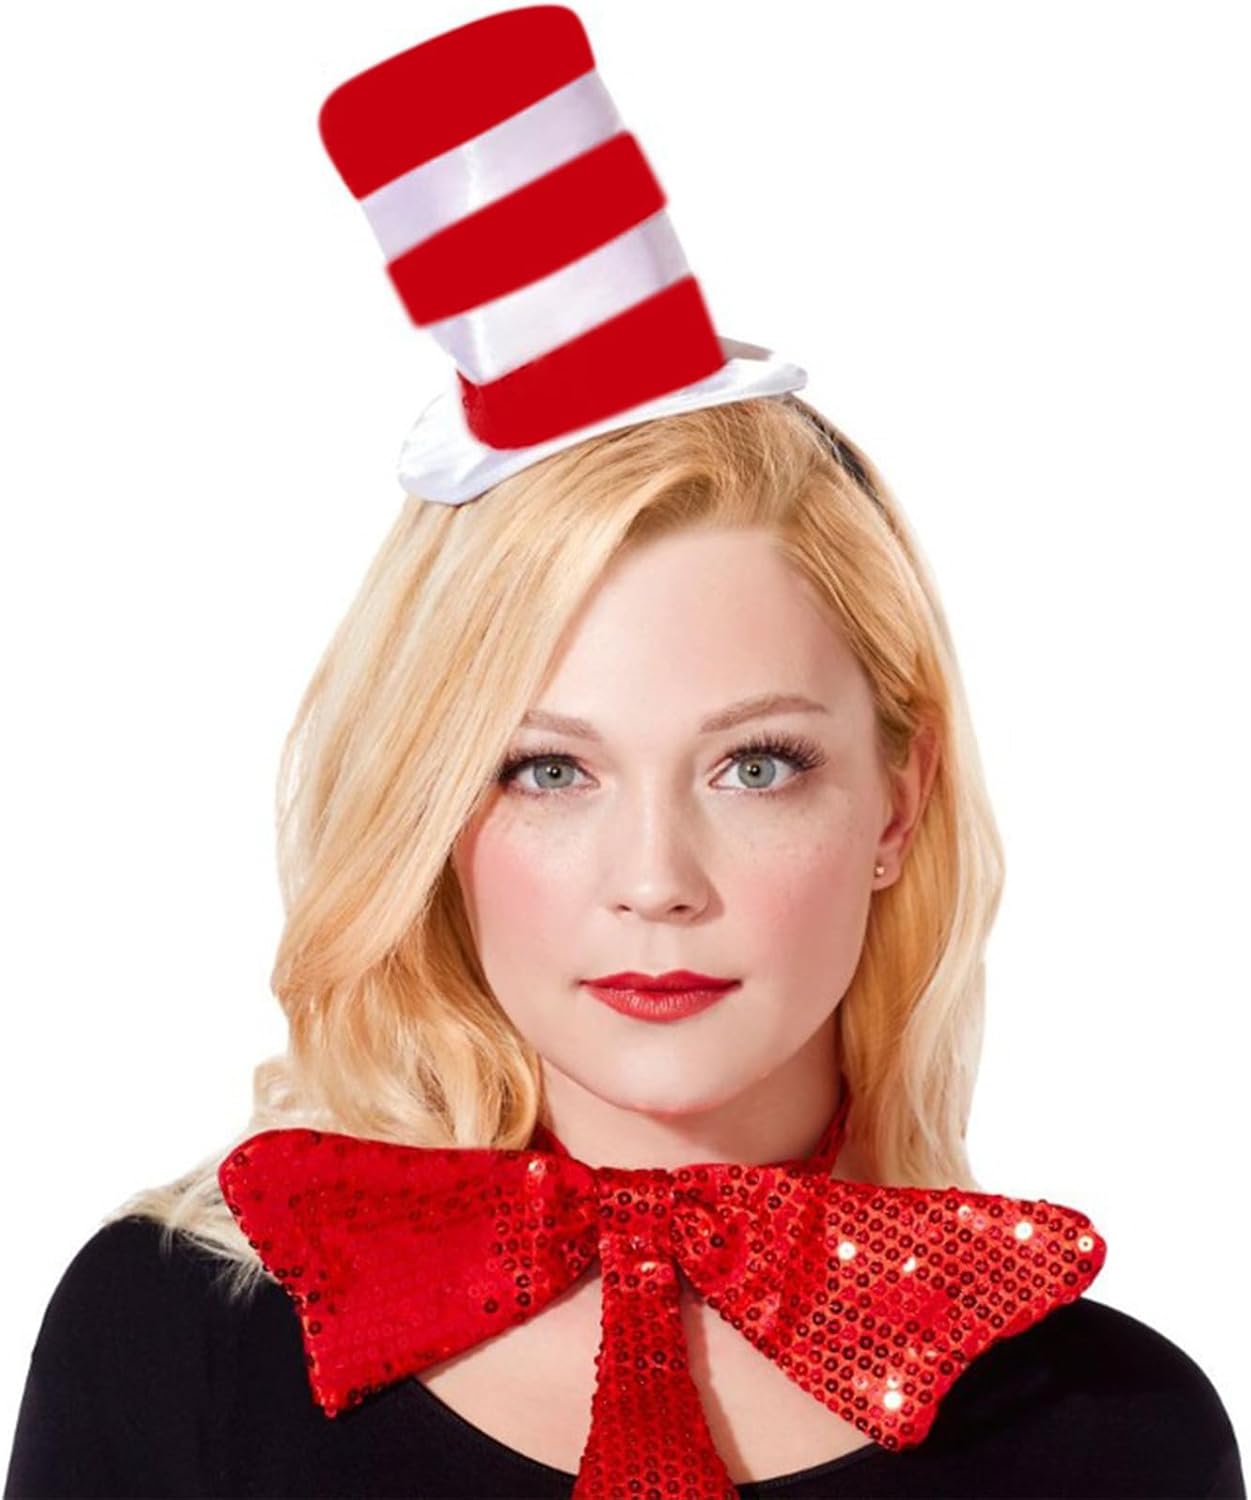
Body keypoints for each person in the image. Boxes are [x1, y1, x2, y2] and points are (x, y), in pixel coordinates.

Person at [5, 8, 1244, 1499]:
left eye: (756, 765)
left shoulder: (1115, 1434)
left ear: (897, 805)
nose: (655, 881)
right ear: (431, 811)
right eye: (549, 771)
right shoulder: (171, 1344)